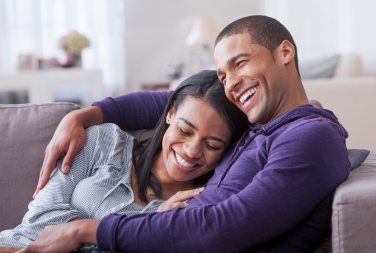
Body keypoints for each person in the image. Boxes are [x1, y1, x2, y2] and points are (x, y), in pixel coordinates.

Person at [21, 15, 350, 253]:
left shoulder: (310, 137)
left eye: (240, 63)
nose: (231, 83)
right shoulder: (256, 126)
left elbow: (220, 231)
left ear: (285, 53)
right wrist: (83, 115)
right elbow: (178, 104)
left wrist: (88, 230)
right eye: (224, 75)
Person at [0, 71, 248, 252]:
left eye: (212, 145)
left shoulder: (193, 208)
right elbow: (40, 220)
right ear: (171, 113)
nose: (192, 151)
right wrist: (138, 227)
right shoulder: (101, 141)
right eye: (185, 130)